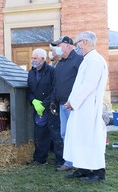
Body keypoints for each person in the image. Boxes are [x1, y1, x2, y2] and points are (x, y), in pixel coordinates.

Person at [63, 31, 108, 183]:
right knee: (80, 138)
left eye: (77, 43)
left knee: (90, 139)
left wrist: (72, 102)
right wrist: (71, 101)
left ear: (85, 42)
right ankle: (83, 168)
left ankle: (98, 172)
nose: (76, 46)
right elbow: (79, 85)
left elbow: (88, 86)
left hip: (88, 108)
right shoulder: (88, 59)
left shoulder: (95, 60)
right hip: (81, 107)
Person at [50, 36, 83, 171]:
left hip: (74, 106)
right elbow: (56, 85)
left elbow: (83, 84)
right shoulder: (60, 63)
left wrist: (76, 101)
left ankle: (81, 162)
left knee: (77, 134)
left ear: (69, 45)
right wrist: (53, 101)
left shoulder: (79, 60)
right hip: (61, 105)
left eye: (59, 45)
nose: (57, 49)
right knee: (64, 134)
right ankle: (69, 162)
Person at [27, 48, 64, 168]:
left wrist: (44, 104)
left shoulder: (51, 71)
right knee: (40, 133)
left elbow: (55, 90)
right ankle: (40, 159)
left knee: (55, 133)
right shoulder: (31, 72)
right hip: (38, 109)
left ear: (43, 59)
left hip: (50, 107)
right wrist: (33, 101)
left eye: (35, 58)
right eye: (32, 58)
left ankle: (61, 161)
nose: (32, 60)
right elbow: (29, 90)